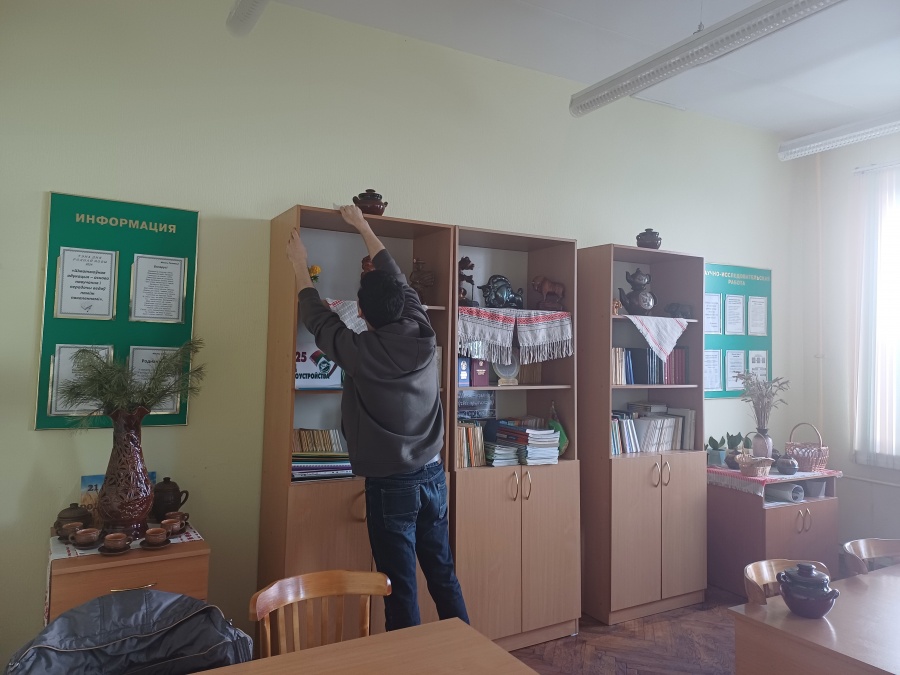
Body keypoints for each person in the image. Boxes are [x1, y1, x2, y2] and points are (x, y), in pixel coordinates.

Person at [286, 204, 469, 631]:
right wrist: (362, 224)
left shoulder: (362, 352)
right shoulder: (423, 330)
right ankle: (468, 658)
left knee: (400, 591)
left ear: (362, 315)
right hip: (433, 476)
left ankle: (407, 660)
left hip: (392, 486)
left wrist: (298, 265)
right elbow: (397, 277)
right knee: (443, 576)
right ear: (402, 304)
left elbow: (318, 319)